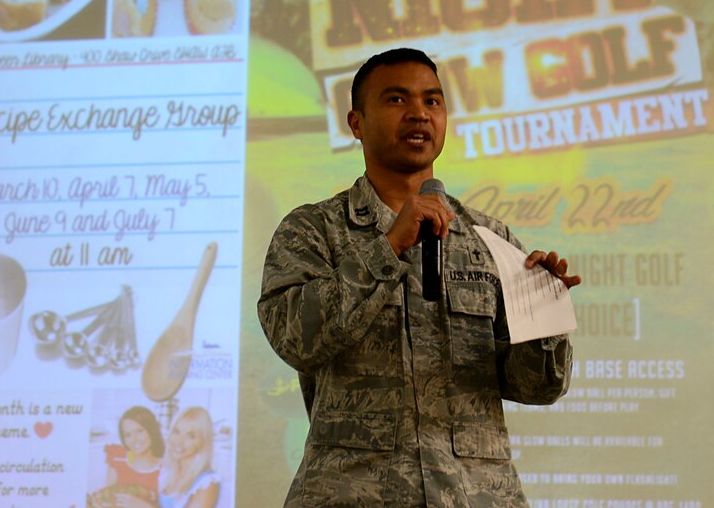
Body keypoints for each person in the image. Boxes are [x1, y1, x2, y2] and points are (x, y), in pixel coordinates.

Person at [257, 47, 581, 507]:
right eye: (396, 100)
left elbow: (537, 387)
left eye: (433, 101)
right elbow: (296, 339)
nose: (419, 114)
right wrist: (386, 248)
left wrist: (544, 316)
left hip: (477, 496)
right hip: (353, 493)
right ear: (356, 123)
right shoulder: (312, 230)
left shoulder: (491, 239)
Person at [89, 406, 164, 508]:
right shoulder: (118, 458)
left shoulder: (164, 467)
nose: (134, 440)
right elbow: (108, 495)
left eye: (139, 431)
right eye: (128, 435)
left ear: (151, 430)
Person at [157, 406, 220, 508]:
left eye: (190, 436)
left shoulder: (207, 483)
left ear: (203, 441)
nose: (179, 441)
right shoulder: (168, 472)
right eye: (176, 432)